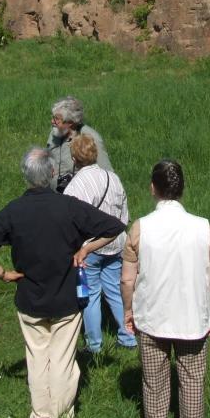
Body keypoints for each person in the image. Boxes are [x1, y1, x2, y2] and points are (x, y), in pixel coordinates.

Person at [0, 147, 125, 418]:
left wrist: (3, 274)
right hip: (65, 298)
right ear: (53, 173)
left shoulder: (13, 211)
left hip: (29, 299)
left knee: (37, 358)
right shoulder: (69, 207)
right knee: (63, 361)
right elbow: (115, 226)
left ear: (25, 177)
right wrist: (86, 248)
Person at [121, 159, 210, 418]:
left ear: (153, 189)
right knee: (192, 381)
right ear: (182, 189)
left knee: (154, 382)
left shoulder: (140, 228)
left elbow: (127, 279)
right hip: (193, 317)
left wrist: (128, 311)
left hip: (151, 317)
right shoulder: (203, 228)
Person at [64, 134, 134, 354]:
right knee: (115, 290)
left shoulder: (76, 185)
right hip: (116, 242)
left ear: (74, 158)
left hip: (90, 247)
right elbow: (124, 216)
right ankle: (128, 335)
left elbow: (70, 220)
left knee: (91, 294)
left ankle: (94, 344)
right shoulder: (113, 178)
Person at [47, 96, 110, 191]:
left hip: (78, 197)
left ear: (70, 123)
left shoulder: (90, 138)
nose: (52, 122)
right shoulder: (55, 132)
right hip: (53, 195)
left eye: (56, 119)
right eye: (53, 117)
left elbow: (107, 175)